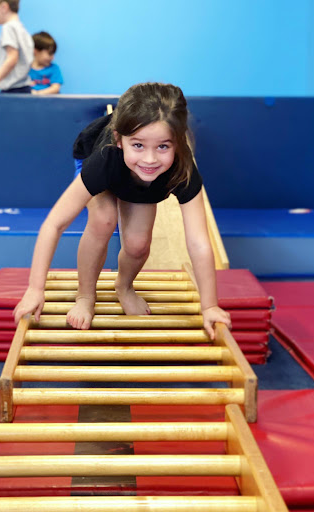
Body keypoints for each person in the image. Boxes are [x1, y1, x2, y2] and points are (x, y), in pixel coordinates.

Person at [13, 82, 232, 339]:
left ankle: (124, 287)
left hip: (139, 180)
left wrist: (209, 306)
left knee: (138, 244)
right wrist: (35, 288)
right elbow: (54, 224)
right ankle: (85, 295)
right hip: (99, 160)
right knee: (103, 220)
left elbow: (198, 241)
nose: (150, 159)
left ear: (178, 141)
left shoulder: (180, 170)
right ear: (120, 139)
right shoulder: (105, 158)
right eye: (138, 145)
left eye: (163, 146)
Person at [0, 0, 33, 95]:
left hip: (12, 90)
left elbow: (12, 58)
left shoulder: (8, 28)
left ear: (4, 7)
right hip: (25, 88)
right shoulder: (22, 29)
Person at [29, 31, 63, 95]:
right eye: (50, 54)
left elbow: (55, 88)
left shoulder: (54, 69)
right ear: (35, 51)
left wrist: (37, 94)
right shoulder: (25, 69)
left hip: (49, 102)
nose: (53, 58)